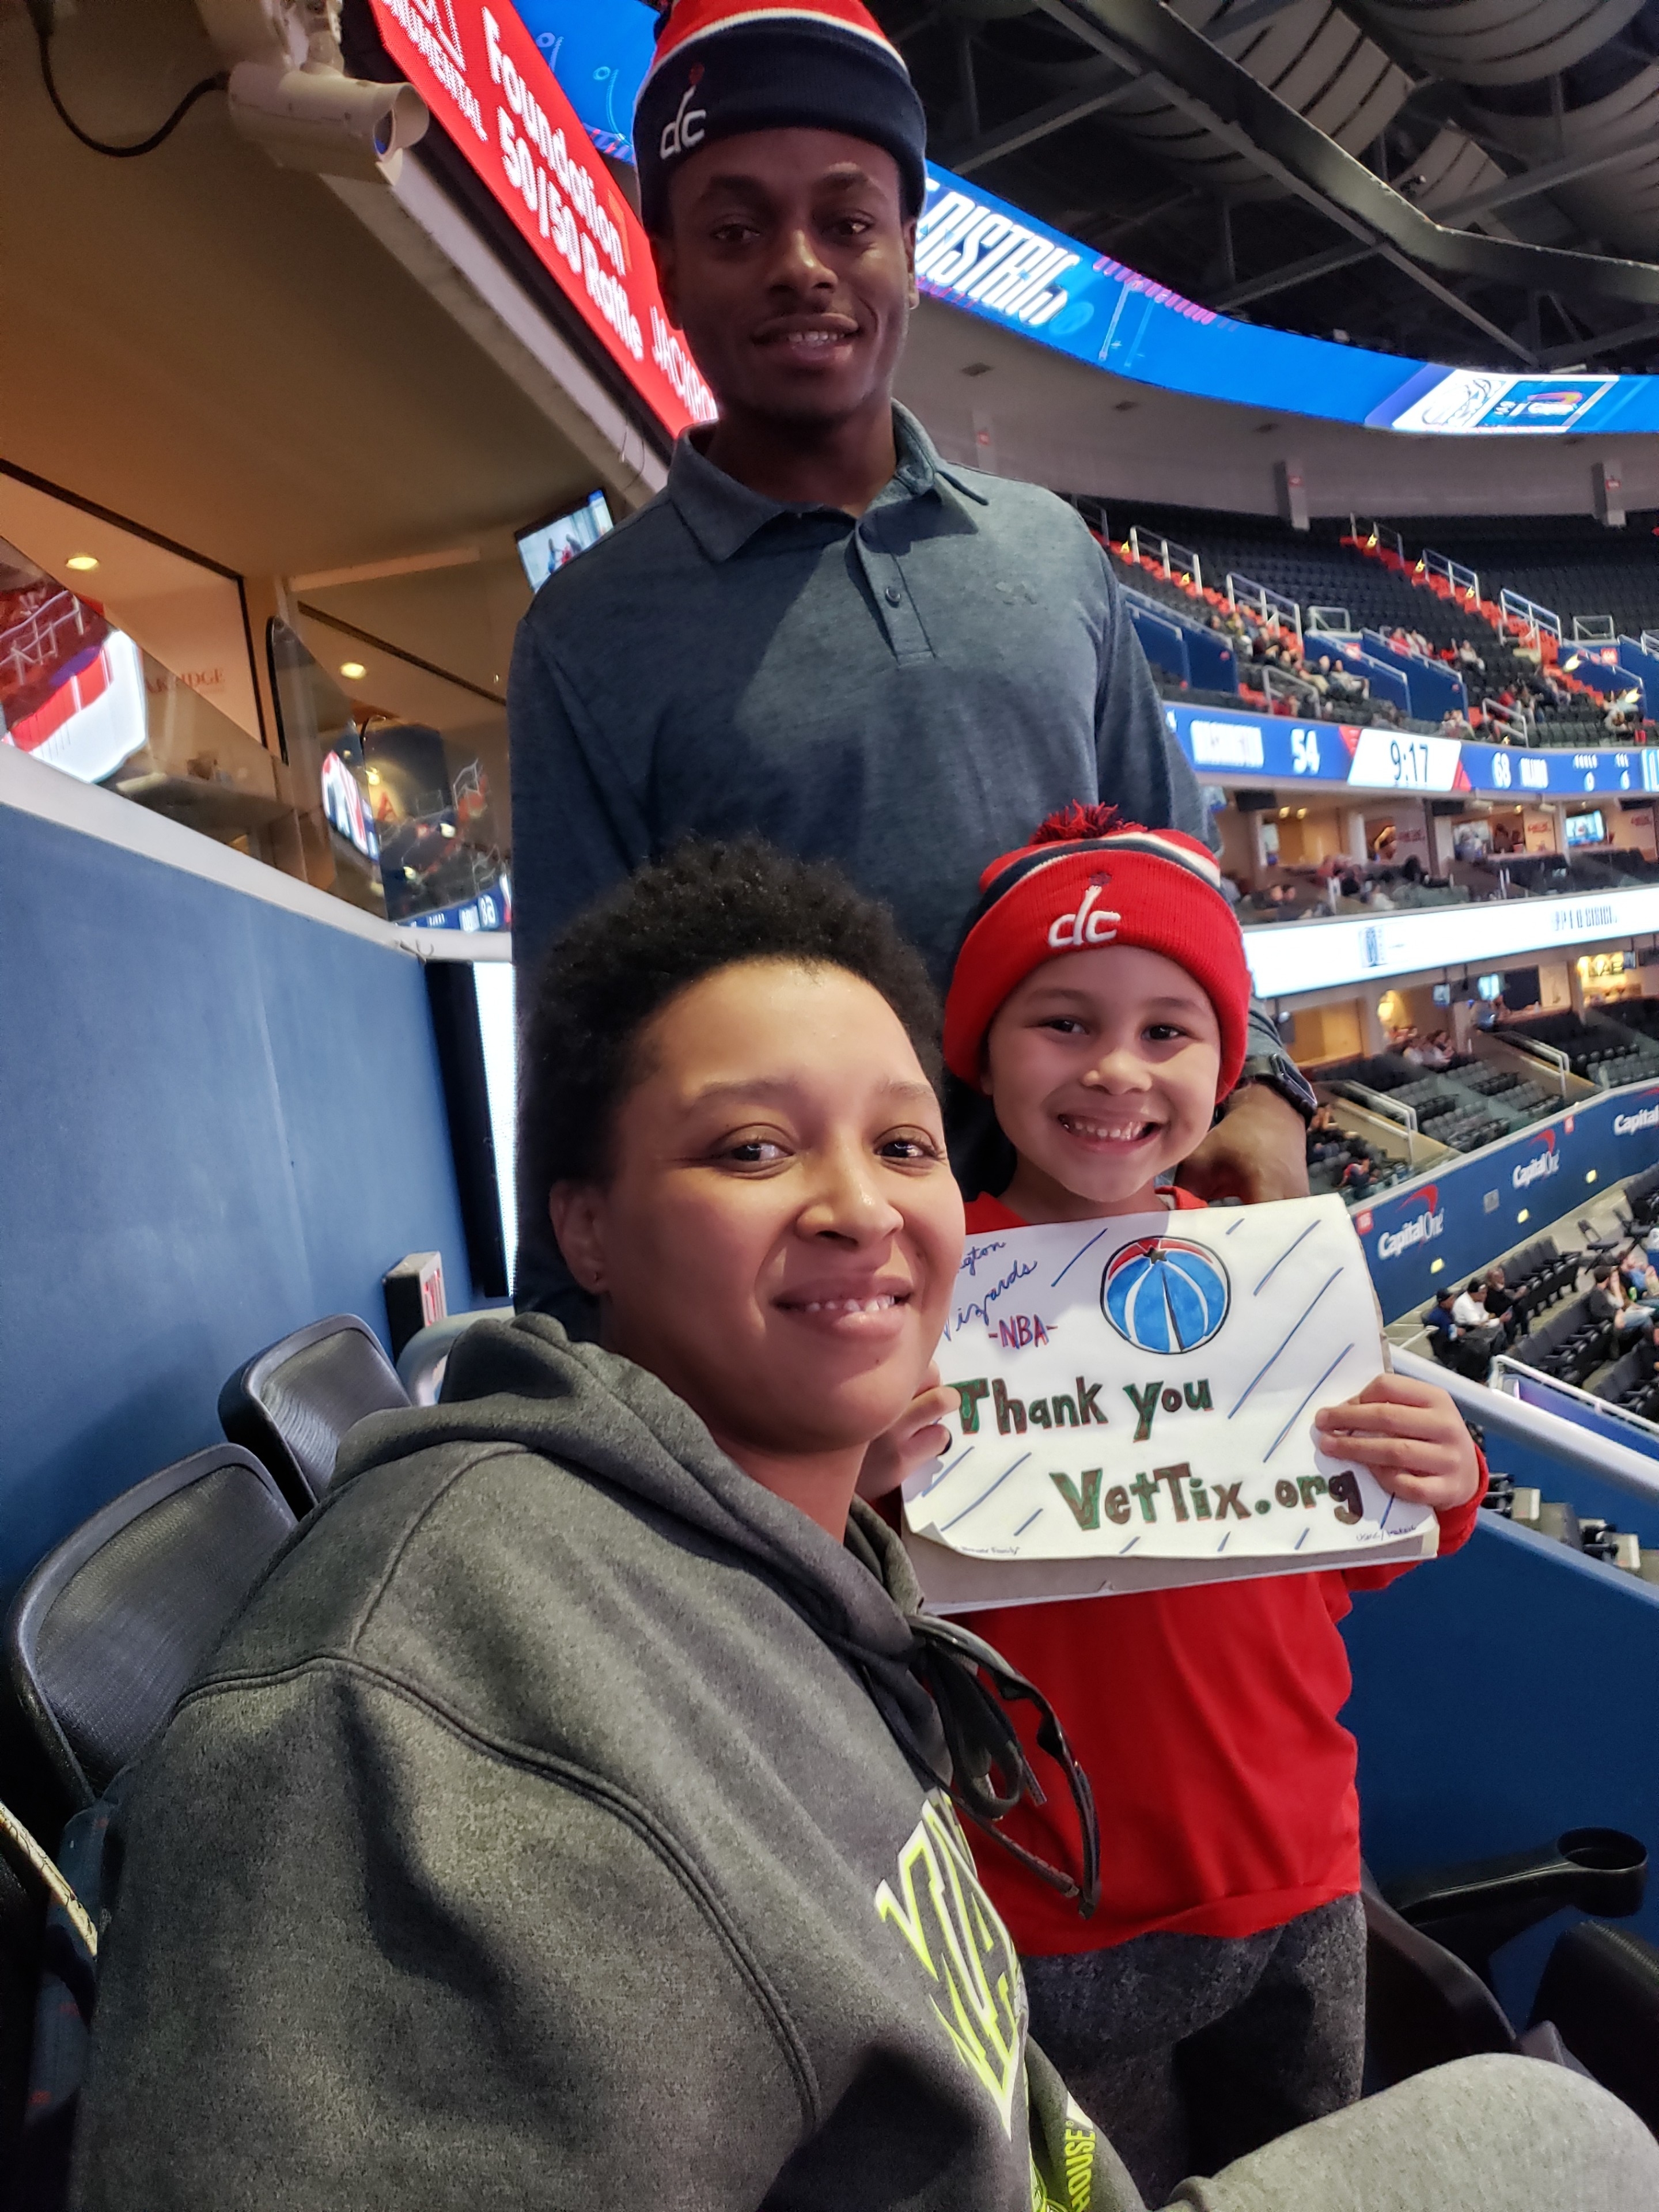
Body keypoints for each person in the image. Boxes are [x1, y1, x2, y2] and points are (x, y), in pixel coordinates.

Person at [506, 0, 1311, 1320]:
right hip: (818, 1327)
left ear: (910, 252)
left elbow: (1180, 883)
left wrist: (1264, 1083)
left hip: (1102, 1289)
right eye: (736, 230)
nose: (800, 267)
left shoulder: (1052, 550)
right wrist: (577, 1365)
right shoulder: (588, 636)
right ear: (667, 267)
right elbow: (578, 1065)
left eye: (848, 221)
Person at [916, 804, 1488, 2203]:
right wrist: (869, 1472)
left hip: (1298, 1872)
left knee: (1300, 2180)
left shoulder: (1275, 1275)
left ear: (1226, 1065)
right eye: (1062, 1022)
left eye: (1167, 1032)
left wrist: (1444, 1478)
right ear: (979, 1047)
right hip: (1044, 1908)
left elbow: (1341, 1552)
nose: (1117, 1069)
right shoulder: (924, 1291)